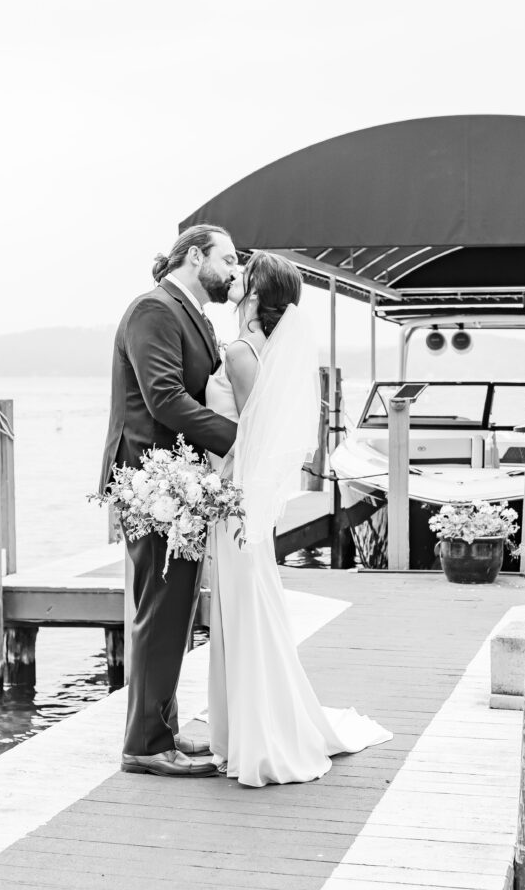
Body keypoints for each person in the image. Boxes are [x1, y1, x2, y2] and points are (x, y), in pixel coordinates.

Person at [206, 251, 392, 786]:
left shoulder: (242, 351)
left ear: (257, 297)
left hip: (235, 503)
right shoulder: (262, 349)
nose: (234, 278)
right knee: (248, 613)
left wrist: (215, 486)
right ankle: (244, 728)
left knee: (246, 616)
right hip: (244, 505)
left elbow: (250, 438)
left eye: (243, 276)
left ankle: (259, 739)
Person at [99, 224, 239, 778]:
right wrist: (238, 441)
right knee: (161, 612)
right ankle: (146, 745)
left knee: (175, 611)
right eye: (226, 259)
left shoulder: (195, 316)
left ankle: (164, 728)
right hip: (153, 483)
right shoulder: (153, 311)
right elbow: (163, 397)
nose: (233, 271)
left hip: (180, 483)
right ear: (195, 255)